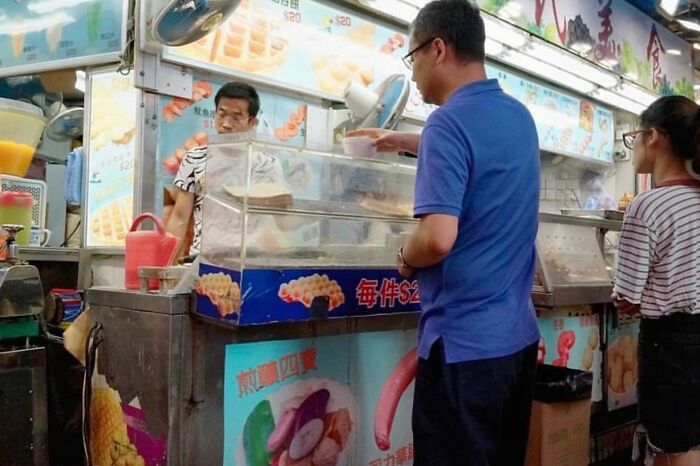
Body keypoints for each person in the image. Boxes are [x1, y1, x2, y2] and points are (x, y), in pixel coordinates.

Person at [351, 1, 540, 464]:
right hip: (516, 344)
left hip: (463, 349)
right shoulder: (518, 116)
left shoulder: (447, 122)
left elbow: (436, 238)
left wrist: (405, 255)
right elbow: (482, 151)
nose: (412, 74)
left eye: (412, 57)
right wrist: (405, 141)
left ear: (437, 49)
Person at [614, 96, 700, 466]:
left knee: (673, 450)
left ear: (656, 137)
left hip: (670, 347)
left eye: (634, 135)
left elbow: (628, 299)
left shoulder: (647, 206)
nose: (633, 145)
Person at [167, 81, 283, 258]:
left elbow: (281, 220)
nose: (226, 124)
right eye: (221, 115)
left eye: (236, 117)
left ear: (252, 122)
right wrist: (166, 269)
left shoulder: (268, 165)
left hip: (250, 261)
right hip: (203, 261)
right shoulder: (195, 158)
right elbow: (180, 218)